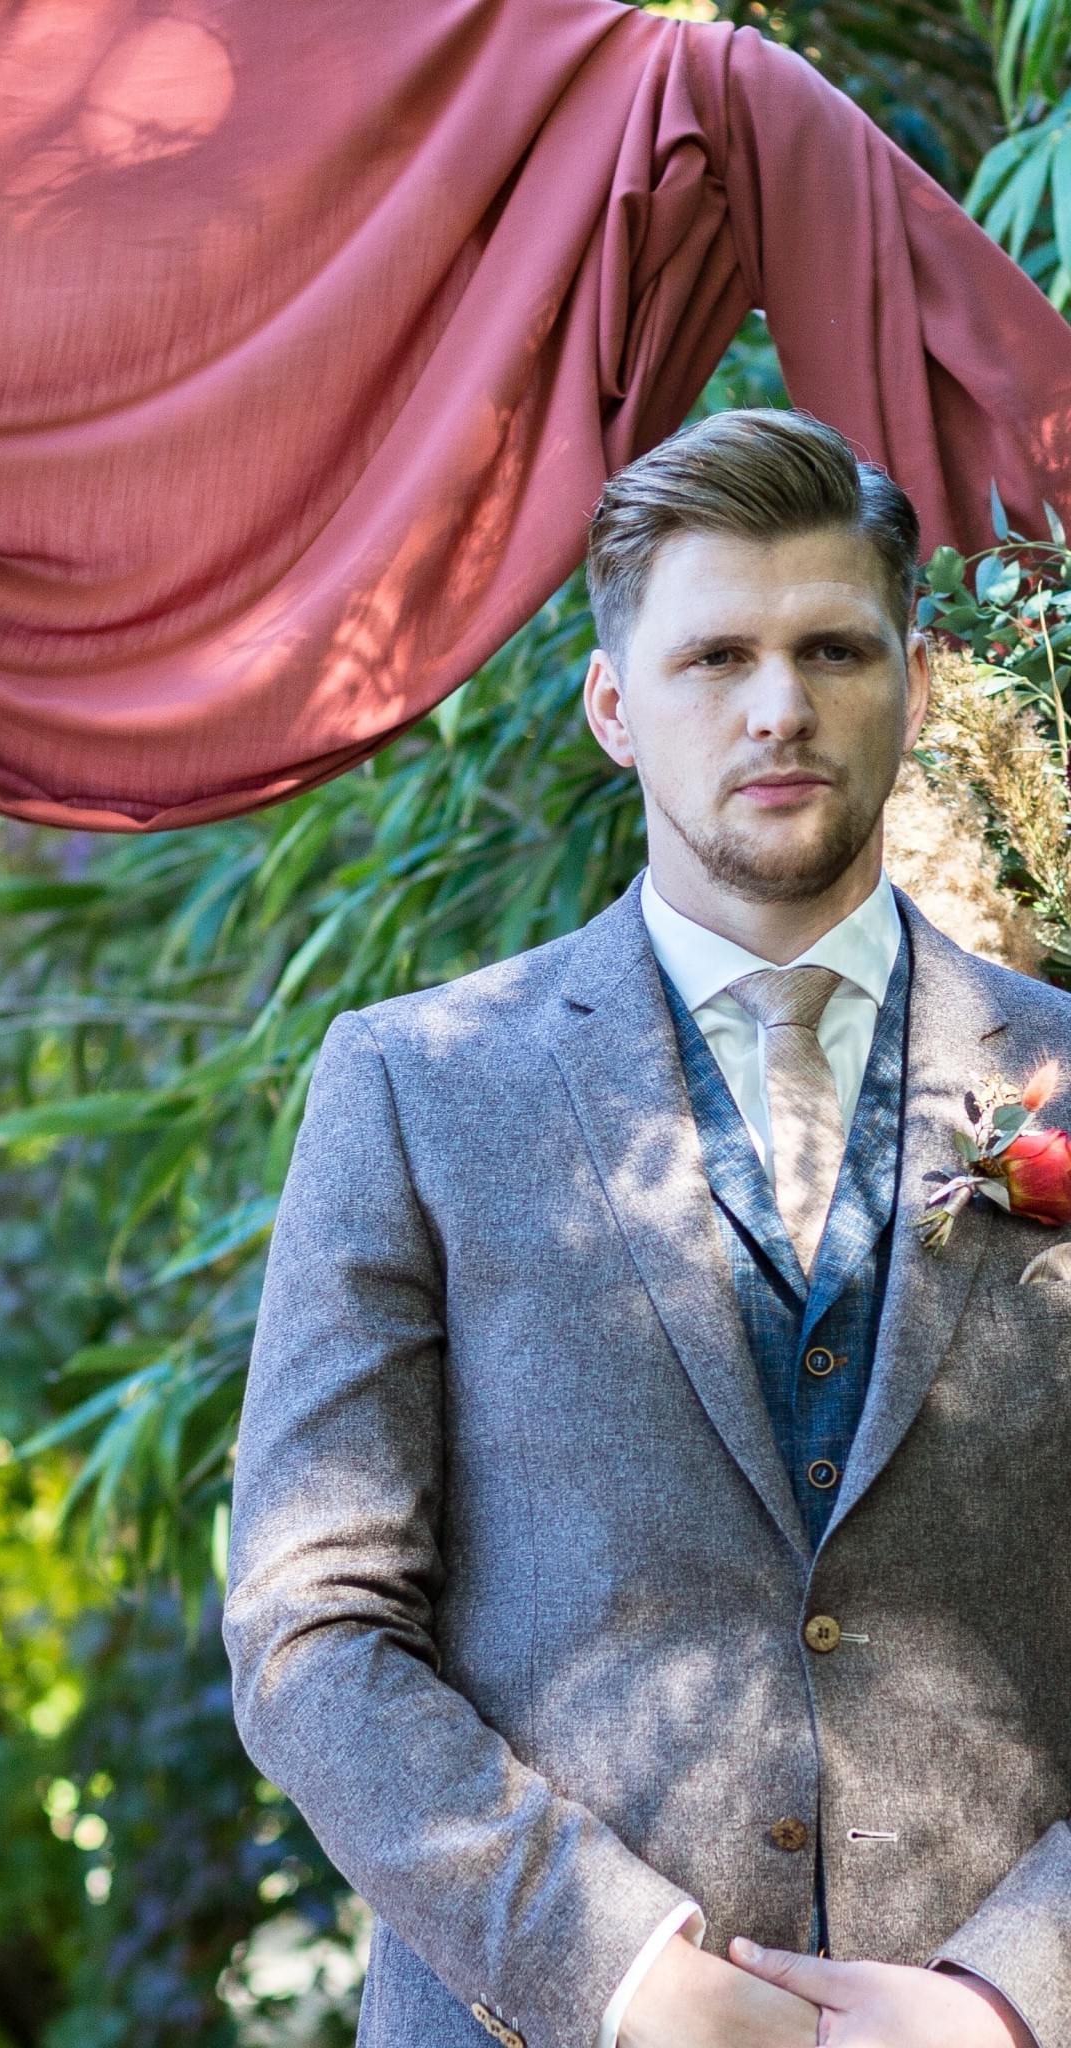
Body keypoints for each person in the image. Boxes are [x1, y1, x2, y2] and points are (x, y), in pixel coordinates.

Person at [221, 407, 1069, 2048]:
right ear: (615, 703)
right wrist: (619, 1975)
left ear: (915, 683)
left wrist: (1014, 1998)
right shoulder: (417, 1085)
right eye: (714, 658)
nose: (780, 705)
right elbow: (311, 1624)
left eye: (835, 647)